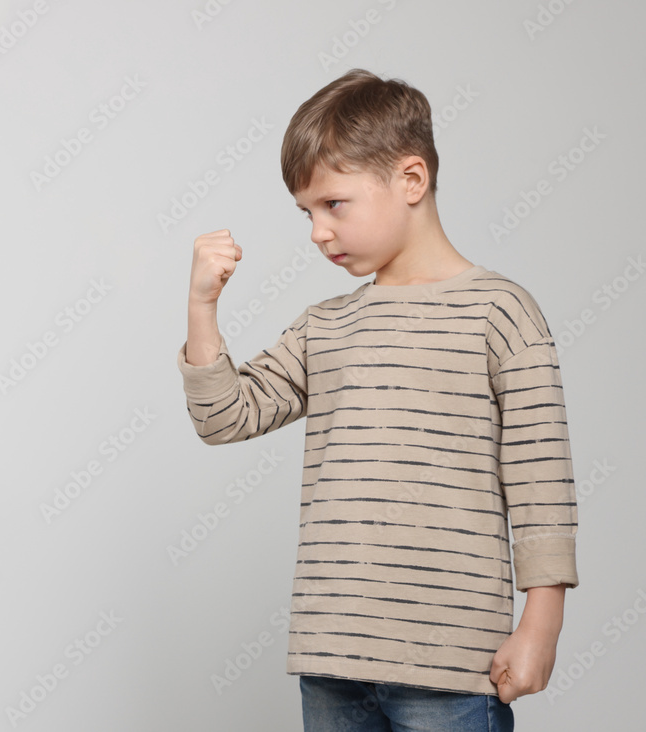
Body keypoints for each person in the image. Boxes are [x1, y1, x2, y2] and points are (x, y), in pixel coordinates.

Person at [177, 68, 577, 731]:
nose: (317, 232)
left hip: (450, 666)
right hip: (331, 661)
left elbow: (542, 481)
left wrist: (543, 621)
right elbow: (225, 417)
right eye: (306, 212)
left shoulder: (500, 313)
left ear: (411, 181)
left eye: (334, 205)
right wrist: (201, 306)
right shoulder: (327, 324)